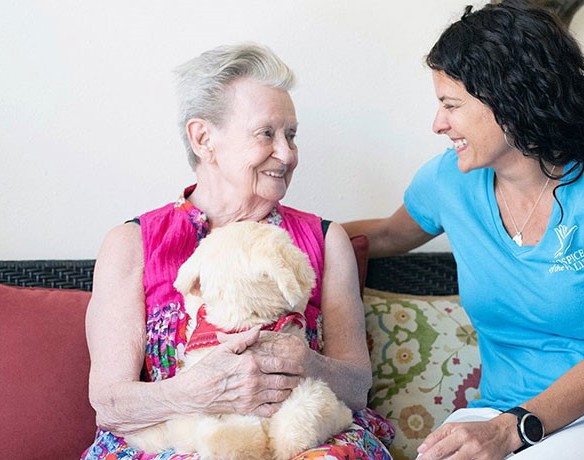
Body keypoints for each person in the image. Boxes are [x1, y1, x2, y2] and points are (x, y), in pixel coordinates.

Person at [343, 1, 584, 459]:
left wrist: (510, 432)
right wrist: (280, 235)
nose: (438, 124)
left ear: (509, 99)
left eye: (451, 105)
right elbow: (385, 236)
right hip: (495, 413)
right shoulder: (451, 179)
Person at [81, 42, 393, 459]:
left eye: (291, 135)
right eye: (267, 133)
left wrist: (306, 362)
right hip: (180, 443)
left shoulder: (323, 239)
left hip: (301, 442)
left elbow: (356, 387)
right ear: (203, 138)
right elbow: (109, 405)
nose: (287, 154)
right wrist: (194, 392)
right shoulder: (132, 244)